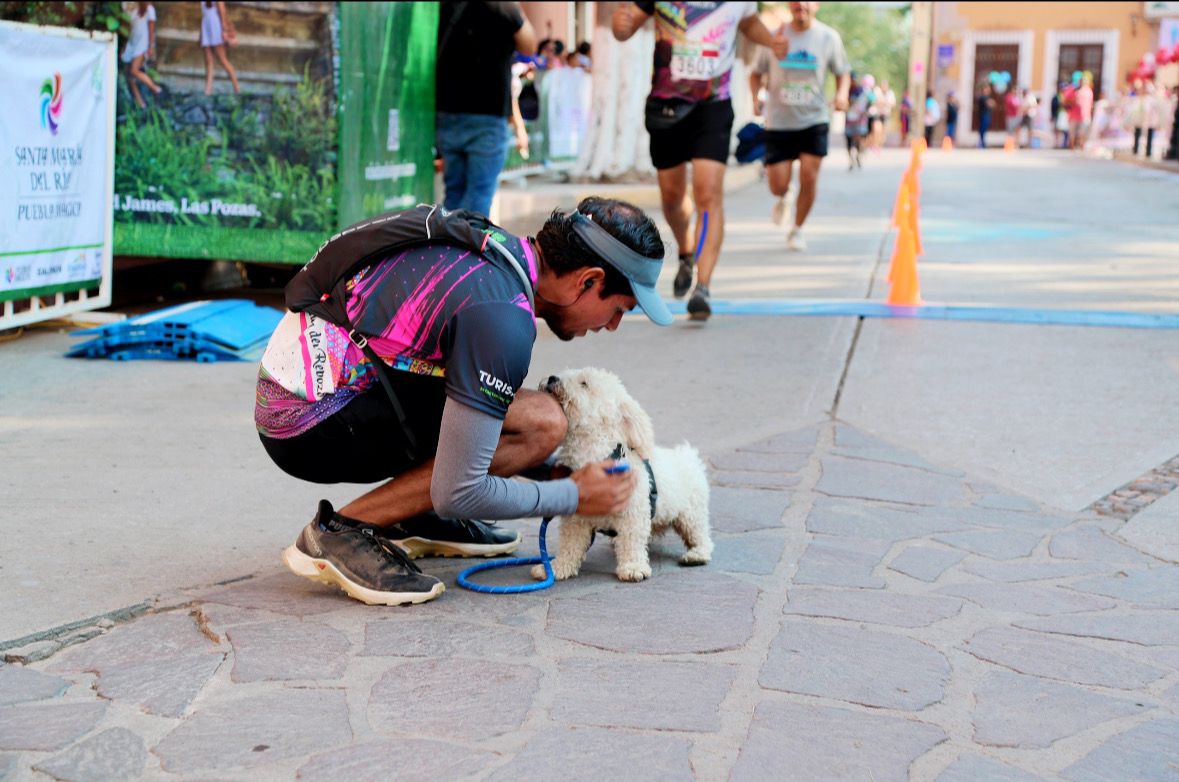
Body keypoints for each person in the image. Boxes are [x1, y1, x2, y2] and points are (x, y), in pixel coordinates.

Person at [258, 197, 673, 606]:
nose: (613, 325)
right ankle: (341, 530)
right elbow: (461, 490)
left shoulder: (498, 249)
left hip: (315, 384)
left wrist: (556, 471)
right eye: (619, 308)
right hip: (307, 422)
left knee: (534, 421)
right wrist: (573, 495)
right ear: (587, 281)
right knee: (542, 423)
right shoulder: (503, 316)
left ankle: (414, 513)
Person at [612, 1, 788, 321]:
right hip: (666, 107)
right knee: (672, 196)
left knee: (708, 194)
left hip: (713, 107)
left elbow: (748, 23)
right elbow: (626, 26)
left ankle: (703, 287)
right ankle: (686, 252)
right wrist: (621, 26)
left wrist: (772, 40)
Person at [748, 1, 849, 251]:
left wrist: (842, 94)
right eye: (795, 1)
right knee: (777, 185)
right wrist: (755, 97)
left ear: (816, 5)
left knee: (809, 176)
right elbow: (755, 73)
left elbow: (842, 71)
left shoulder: (828, 37)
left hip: (814, 119)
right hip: (779, 122)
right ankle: (785, 195)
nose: (801, 5)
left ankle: (797, 229)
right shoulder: (774, 37)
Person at [436, 2, 537, 218]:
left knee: (454, 193)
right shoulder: (502, 6)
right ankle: (467, 249)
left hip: (448, 112)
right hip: (486, 116)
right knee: (478, 195)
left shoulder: (445, 5)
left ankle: (448, 248)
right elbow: (529, 45)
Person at [122, 2, 162, 108]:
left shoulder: (149, 9)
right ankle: (140, 101)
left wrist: (151, 46)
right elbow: (129, 28)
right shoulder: (133, 9)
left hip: (142, 42)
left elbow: (151, 29)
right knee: (129, 73)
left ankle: (155, 88)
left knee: (134, 70)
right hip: (131, 42)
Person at [200, 1, 240, 96]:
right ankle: (208, 90)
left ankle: (237, 89)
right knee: (208, 60)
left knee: (222, 59)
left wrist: (224, 30)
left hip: (215, 25)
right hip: (206, 25)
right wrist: (201, 34)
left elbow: (222, 10)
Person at [844, 74, 868, 169]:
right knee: (849, 140)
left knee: (858, 139)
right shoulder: (846, 90)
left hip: (858, 119)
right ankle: (851, 160)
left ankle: (858, 156)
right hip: (849, 119)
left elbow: (864, 104)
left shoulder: (860, 91)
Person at [872, 79, 895, 149]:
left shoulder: (890, 93)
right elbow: (874, 101)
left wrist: (883, 103)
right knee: (877, 129)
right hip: (877, 114)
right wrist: (884, 103)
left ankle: (879, 144)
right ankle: (875, 144)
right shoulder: (877, 91)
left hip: (885, 114)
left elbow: (892, 104)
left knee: (883, 131)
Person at [977, 83, 995, 148]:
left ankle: (982, 142)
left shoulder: (987, 97)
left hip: (987, 115)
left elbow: (993, 104)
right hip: (983, 115)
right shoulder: (982, 97)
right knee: (982, 129)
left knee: (984, 129)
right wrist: (991, 102)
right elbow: (990, 104)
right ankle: (981, 143)